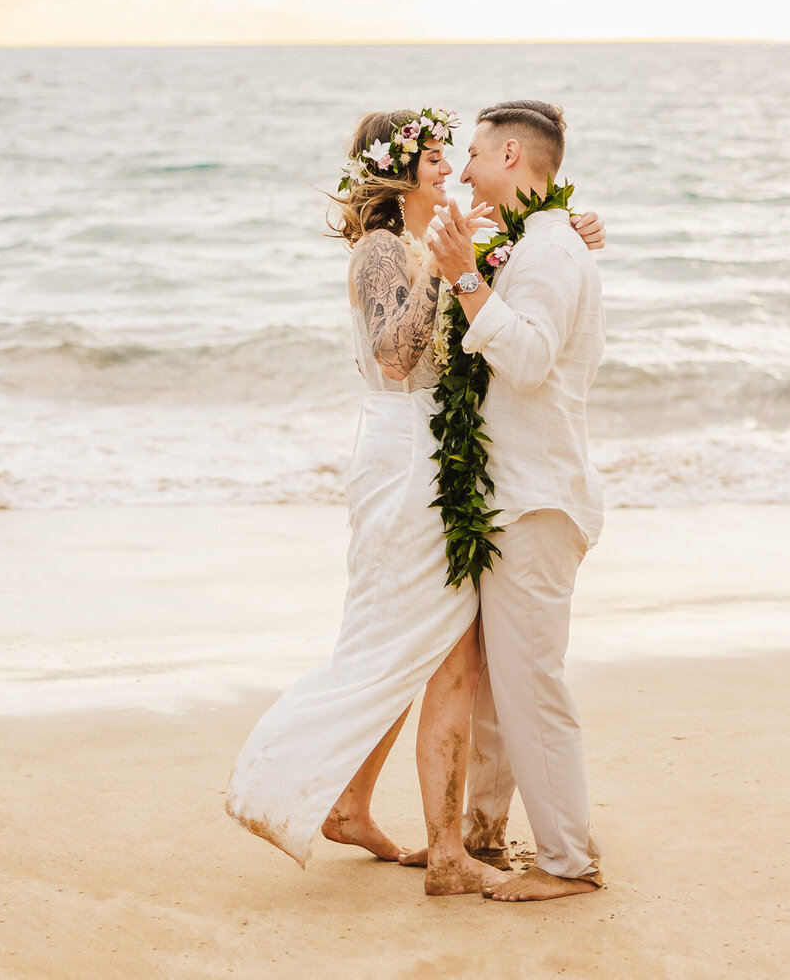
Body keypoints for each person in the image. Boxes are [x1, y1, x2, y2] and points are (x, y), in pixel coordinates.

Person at [225, 107, 604, 896]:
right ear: (398, 173)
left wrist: (559, 234)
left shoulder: (440, 243)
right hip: (401, 455)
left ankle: (379, 816)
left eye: (451, 153)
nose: (451, 170)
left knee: (434, 643)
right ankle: (338, 795)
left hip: (443, 459)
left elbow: (503, 316)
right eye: (435, 156)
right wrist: (447, 262)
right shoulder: (379, 252)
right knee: (403, 639)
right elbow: (399, 357)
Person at [427, 99, 606, 902]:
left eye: (472, 155)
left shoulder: (551, 253)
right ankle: (483, 837)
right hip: (521, 495)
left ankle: (570, 862)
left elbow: (529, 362)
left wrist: (466, 273)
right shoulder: (538, 245)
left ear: (509, 154)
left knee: (532, 686)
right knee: (503, 686)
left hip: (537, 502)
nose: (463, 171)